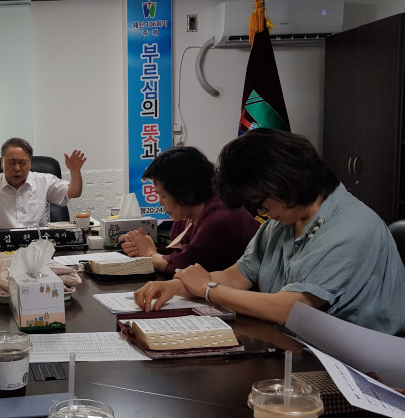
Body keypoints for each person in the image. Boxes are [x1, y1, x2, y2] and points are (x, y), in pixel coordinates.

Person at [134, 129, 405, 336]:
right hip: (293, 346)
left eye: (261, 202)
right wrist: (177, 286)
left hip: (359, 365)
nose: (262, 212)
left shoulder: (351, 229)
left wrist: (207, 289)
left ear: (285, 183)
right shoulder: (282, 221)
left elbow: (289, 309)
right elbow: (238, 275)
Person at [119, 146, 258, 274]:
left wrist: (149, 254)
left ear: (183, 191)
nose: (160, 202)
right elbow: (179, 253)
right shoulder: (189, 211)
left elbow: (183, 267)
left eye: (163, 195)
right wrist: (140, 246)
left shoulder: (220, 216)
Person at [0, 137, 87, 229]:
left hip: (36, 247)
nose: (17, 168)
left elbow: (73, 192)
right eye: (12, 162)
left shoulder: (44, 181)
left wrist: (75, 171)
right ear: (2, 163)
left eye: (22, 162)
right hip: (1, 248)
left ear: (30, 163)